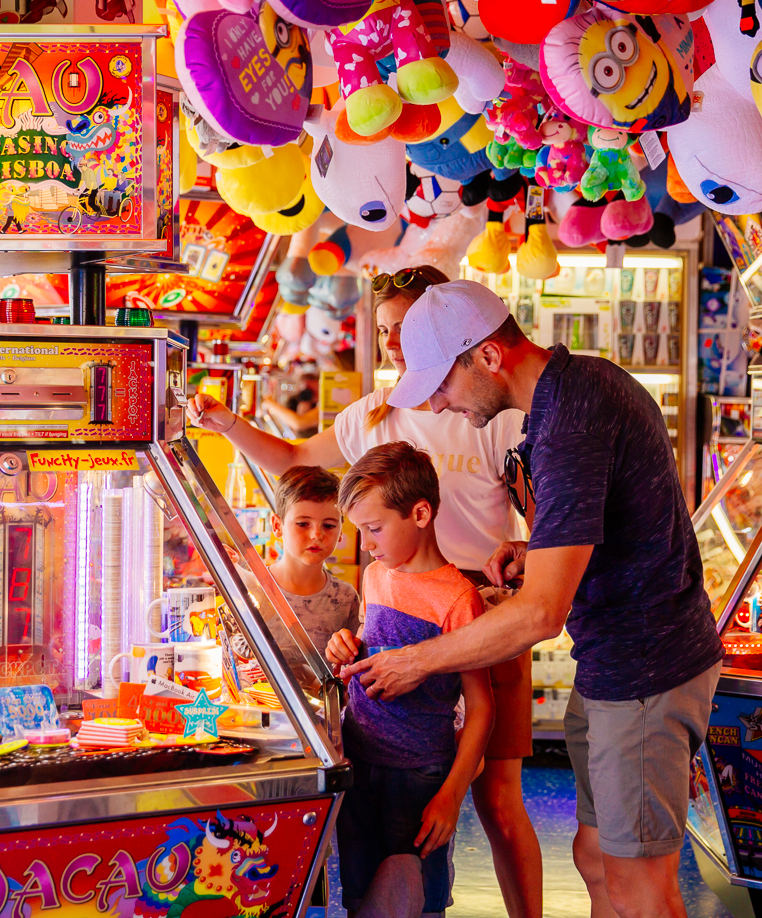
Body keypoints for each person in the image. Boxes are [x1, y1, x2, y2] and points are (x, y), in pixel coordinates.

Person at [342, 280, 723, 918]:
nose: (438, 402)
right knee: (598, 860)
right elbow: (603, 528)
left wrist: (416, 660)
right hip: (615, 667)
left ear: (487, 357)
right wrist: (536, 551)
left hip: (645, 671)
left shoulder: (571, 418)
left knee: (639, 889)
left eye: (442, 383)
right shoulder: (571, 395)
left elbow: (542, 614)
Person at [188, 266, 543, 918]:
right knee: (392, 812)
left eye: (405, 329)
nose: (393, 346)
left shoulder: (492, 408)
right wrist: (226, 424)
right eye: (384, 332)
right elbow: (297, 458)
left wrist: (523, 558)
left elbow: (541, 520)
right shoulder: (374, 413)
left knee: (497, 797)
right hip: (398, 608)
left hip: (484, 615)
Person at [324, 442, 492, 918]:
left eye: (374, 529)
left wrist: (451, 796)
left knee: (414, 899)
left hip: (418, 778)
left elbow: (481, 708)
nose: (367, 544)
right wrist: (347, 645)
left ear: (420, 513)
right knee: (361, 897)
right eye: (361, 532)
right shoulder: (376, 575)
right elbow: (368, 643)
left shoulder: (459, 598)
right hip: (359, 761)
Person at [264, 466, 361, 660]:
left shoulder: (346, 598)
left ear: (341, 530)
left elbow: (354, 668)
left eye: (329, 525)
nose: (317, 535)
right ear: (277, 525)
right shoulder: (253, 589)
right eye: (303, 524)